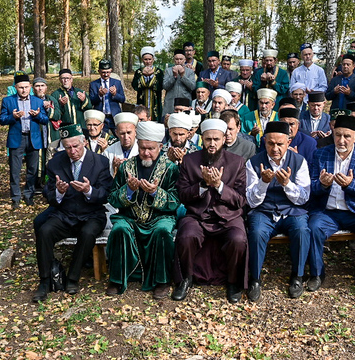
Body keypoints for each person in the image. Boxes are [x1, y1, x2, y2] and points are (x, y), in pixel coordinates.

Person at [32, 124, 112, 302]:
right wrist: (59, 192)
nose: (72, 151)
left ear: (84, 142)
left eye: (76, 146)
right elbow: (48, 194)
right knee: (45, 231)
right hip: (65, 214)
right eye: (68, 147)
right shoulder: (56, 162)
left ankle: (73, 278)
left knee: (88, 233)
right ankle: (45, 280)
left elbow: (106, 194)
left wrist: (89, 190)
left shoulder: (100, 162)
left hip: (92, 213)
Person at [173, 119, 249, 303]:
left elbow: (240, 200)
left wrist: (219, 185)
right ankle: (186, 279)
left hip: (228, 216)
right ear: (202, 139)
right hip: (197, 215)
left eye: (216, 139)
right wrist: (203, 184)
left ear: (224, 139)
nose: (212, 144)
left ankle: (233, 282)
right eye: (208, 139)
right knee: (186, 236)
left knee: (238, 239)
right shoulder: (190, 161)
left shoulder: (237, 162)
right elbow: (182, 195)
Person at [307, 115, 355, 297]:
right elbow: (309, 189)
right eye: (338, 135)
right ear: (332, 134)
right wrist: (322, 184)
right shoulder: (320, 154)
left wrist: (351, 184)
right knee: (313, 227)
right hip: (328, 212)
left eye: (347, 136)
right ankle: (317, 273)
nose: (341, 140)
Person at [105, 121, 180, 298]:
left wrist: (155, 192)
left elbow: (175, 201)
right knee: (120, 229)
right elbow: (112, 198)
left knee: (162, 231)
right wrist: (128, 190)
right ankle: (117, 279)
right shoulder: (126, 167)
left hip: (160, 217)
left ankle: (162, 281)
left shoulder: (170, 168)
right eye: (142, 148)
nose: (146, 153)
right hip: (129, 218)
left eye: (151, 149)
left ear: (160, 147)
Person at [245, 121, 311, 300]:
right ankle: (255, 279)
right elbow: (251, 201)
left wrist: (287, 184)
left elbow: (304, 198)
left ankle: (297, 276)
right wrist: (263, 182)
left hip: (291, 210)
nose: (275, 149)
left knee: (302, 230)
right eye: (270, 143)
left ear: (288, 142)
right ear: (264, 141)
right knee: (257, 232)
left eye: (280, 144)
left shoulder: (299, 161)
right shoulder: (253, 163)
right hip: (264, 211)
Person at [0, 72, 49, 209]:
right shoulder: (8, 101)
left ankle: (29, 195)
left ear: (30, 87)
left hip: (33, 139)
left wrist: (37, 116)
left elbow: (45, 120)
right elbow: (2, 120)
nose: (24, 90)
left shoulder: (37, 101)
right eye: (21, 87)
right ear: (15, 87)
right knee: (15, 170)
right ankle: (15, 197)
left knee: (32, 169)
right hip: (17, 138)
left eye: (26, 87)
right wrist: (13, 117)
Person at [89, 59, 125, 132]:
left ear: (111, 70)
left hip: (114, 116)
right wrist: (99, 95)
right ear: (99, 71)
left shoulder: (117, 82)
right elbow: (91, 101)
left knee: (118, 136)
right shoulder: (94, 84)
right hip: (101, 117)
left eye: (108, 72)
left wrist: (115, 94)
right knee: (102, 137)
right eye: (103, 72)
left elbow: (123, 99)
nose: (106, 74)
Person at [132, 46, 164, 122]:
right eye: (146, 59)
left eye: (150, 59)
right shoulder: (138, 72)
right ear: (142, 60)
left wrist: (152, 76)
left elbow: (160, 86)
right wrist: (144, 76)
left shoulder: (159, 72)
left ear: (153, 59)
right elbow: (135, 86)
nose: (148, 61)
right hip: (142, 101)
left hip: (155, 102)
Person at [103, 113, 139, 177]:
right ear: (116, 133)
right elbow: (105, 177)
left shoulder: (142, 150)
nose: (126, 137)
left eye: (129, 132)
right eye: (122, 133)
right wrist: (115, 169)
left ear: (135, 132)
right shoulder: (108, 152)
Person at [162, 49, 196, 117]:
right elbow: (165, 86)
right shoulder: (168, 71)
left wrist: (183, 76)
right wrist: (174, 76)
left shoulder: (190, 72)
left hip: (184, 103)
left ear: (185, 60)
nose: (179, 61)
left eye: (181, 59)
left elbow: (192, 87)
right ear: (174, 60)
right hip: (170, 103)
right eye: (177, 59)